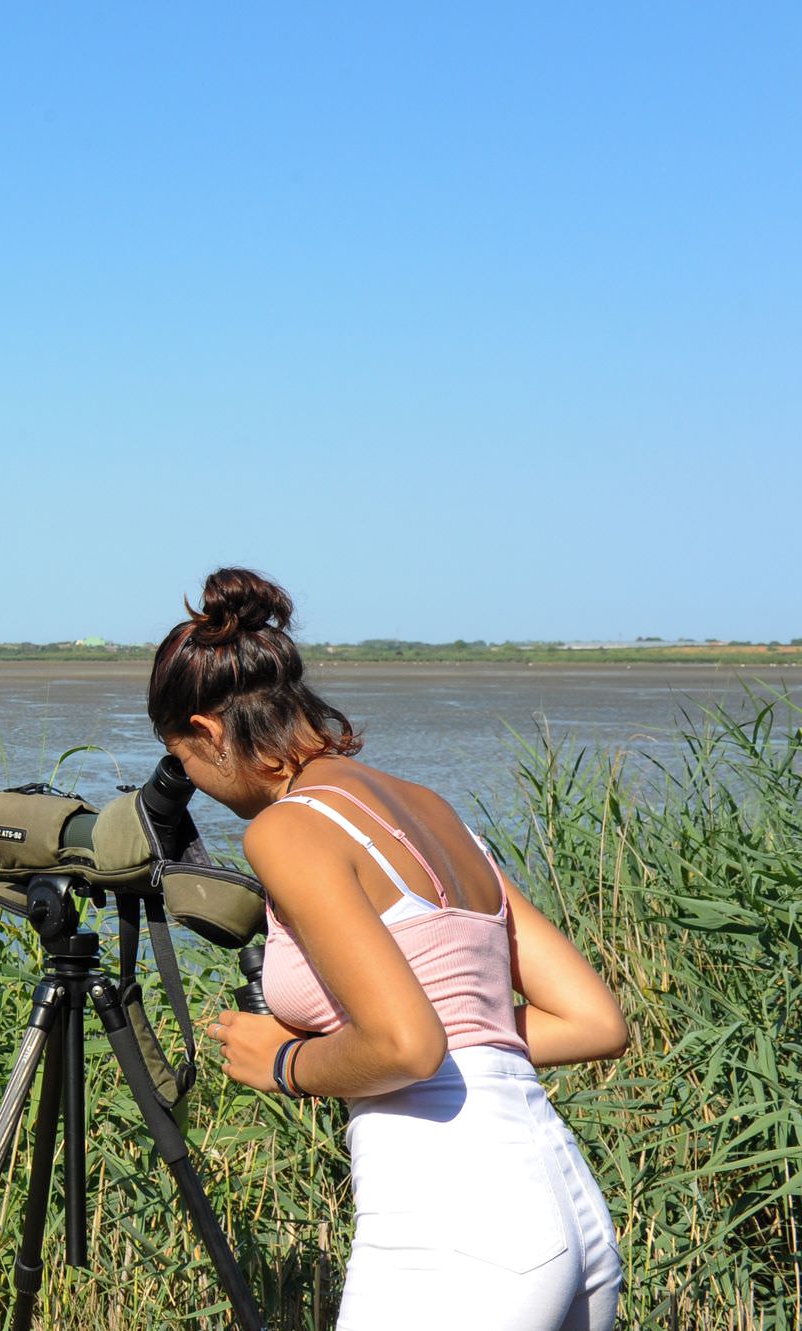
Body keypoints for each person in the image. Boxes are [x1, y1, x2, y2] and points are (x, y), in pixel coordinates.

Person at [149, 568, 626, 1330]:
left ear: (208, 733)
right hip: (569, 1210)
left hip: (455, 1222)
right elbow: (596, 1019)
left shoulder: (288, 828)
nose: (197, 787)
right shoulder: (430, 807)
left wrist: (284, 1063)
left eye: (186, 762)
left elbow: (408, 1046)